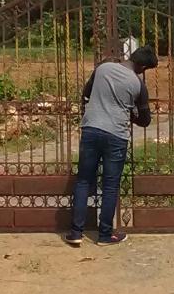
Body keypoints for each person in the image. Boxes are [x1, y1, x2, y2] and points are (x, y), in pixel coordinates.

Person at [65, 45, 158, 246]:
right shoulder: (138, 85)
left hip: (91, 129)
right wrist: (129, 114)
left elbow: (86, 92)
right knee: (110, 185)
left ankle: (76, 233)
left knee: (83, 181)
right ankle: (105, 235)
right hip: (116, 135)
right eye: (145, 69)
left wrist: (92, 110)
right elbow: (145, 120)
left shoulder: (103, 68)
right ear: (141, 66)